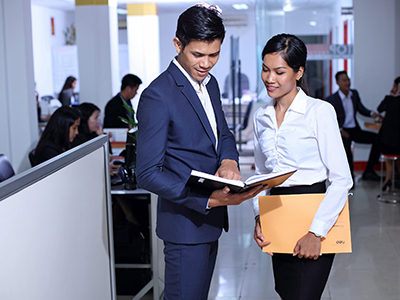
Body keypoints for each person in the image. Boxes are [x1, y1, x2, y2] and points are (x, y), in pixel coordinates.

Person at [135, 4, 266, 300]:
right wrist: (206, 198)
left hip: (209, 222)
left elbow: (223, 134)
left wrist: (230, 161)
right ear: (178, 44)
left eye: (214, 54)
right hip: (184, 224)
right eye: (198, 54)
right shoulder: (158, 95)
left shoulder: (211, 84)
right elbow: (147, 174)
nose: (206, 63)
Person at [252, 33, 353, 300]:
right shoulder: (260, 116)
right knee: (286, 292)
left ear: (299, 72)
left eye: (279, 71)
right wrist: (259, 217)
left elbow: (342, 179)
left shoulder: (320, 111)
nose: (269, 78)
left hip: (315, 213)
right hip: (277, 215)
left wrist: (315, 232)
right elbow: (263, 176)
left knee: (304, 294)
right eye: (265, 69)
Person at [326, 71, 383, 181]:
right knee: (346, 146)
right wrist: (340, 130)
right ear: (337, 83)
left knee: (377, 139)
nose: (347, 82)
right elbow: (330, 119)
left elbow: (361, 108)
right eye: (344, 80)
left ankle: (369, 171)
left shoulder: (354, 94)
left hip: (354, 129)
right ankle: (349, 177)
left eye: (348, 79)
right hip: (342, 130)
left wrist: (372, 113)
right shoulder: (332, 99)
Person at [72, 102, 119, 176]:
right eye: (96, 118)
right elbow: (105, 158)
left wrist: (101, 135)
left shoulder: (93, 134)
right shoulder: (78, 139)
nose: (98, 122)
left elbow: (109, 153)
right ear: (85, 119)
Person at [376, 77, 400, 191]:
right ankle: (397, 178)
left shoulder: (389, 100)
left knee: (389, 150)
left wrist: (392, 95)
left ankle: (388, 178)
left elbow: (379, 108)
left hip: (387, 145)